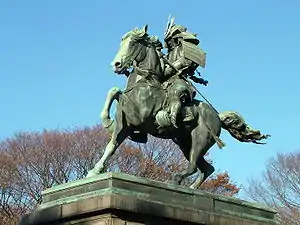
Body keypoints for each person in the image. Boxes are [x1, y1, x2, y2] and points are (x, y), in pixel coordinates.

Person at [162, 22, 207, 128]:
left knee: (177, 92)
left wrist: (173, 67)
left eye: (170, 40)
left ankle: (182, 115)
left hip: (179, 81)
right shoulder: (168, 54)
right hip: (166, 81)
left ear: (176, 38)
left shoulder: (185, 49)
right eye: (168, 41)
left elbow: (186, 62)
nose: (169, 43)